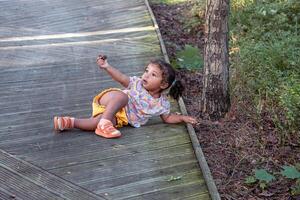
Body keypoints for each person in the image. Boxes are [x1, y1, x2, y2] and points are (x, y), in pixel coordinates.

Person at [53, 55, 197, 138]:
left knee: (95, 123)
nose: (146, 75)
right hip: (112, 100)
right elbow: (121, 78)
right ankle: (105, 123)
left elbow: (167, 118)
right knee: (123, 97)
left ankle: (68, 122)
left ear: (164, 85)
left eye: (153, 75)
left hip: (121, 117)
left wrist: (182, 118)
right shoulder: (137, 84)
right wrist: (107, 67)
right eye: (146, 70)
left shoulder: (161, 105)